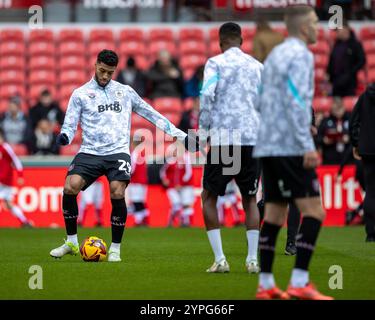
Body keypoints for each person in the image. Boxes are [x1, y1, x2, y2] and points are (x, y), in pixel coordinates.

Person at [49, 49, 198, 262]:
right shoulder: (80, 94)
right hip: (89, 152)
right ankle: (71, 241)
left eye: (110, 72)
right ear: (96, 65)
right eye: (102, 70)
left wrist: (182, 136)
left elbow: (151, 114)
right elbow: (70, 124)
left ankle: (115, 248)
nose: (105, 76)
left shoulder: (125, 92)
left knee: (117, 192)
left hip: (117, 152)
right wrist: (65, 136)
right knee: (69, 186)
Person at [253, 6, 333, 300]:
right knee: (315, 211)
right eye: (314, 22)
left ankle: (266, 285)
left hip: (268, 145)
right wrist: (306, 143)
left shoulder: (275, 54)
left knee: (274, 214)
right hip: (290, 145)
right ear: (302, 28)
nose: (317, 28)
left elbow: (260, 101)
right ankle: (299, 281)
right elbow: (298, 101)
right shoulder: (301, 55)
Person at [199, 22, 263, 274]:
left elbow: (206, 96)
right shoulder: (258, 67)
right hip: (252, 139)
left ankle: (221, 260)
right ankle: (252, 261)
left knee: (209, 197)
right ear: (242, 40)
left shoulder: (215, 64)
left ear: (220, 42)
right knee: (250, 199)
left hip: (225, 137)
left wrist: (203, 132)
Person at [349, 83, 375, 242]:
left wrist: (356, 144)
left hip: (368, 150)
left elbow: (353, 122)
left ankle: (371, 233)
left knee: (371, 192)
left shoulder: (364, 97)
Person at [0, 128, 33, 227]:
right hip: (2, 180)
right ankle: (24, 221)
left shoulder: (5, 147)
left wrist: (20, 175)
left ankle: (25, 222)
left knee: (9, 203)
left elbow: (16, 160)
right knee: (9, 203)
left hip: (5, 180)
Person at [327, 20, 366, 97]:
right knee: (336, 103)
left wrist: (350, 73)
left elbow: (362, 61)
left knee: (348, 103)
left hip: (349, 83)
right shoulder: (336, 44)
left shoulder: (355, 44)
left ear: (345, 29)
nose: (337, 32)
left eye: (338, 30)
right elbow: (332, 60)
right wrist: (328, 73)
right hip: (336, 81)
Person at [160, 146, 195, 227]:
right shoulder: (171, 161)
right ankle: (173, 221)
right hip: (172, 187)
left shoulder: (185, 159)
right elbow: (162, 172)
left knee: (183, 204)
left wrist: (181, 184)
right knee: (177, 203)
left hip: (182, 187)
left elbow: (188, 173)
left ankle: (184, 222)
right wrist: (165, 179)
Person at [317, 97, 352, 164]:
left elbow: (358, 136)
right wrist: (324, 140)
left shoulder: (351, 119)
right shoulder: (325, 120)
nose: (337, 112)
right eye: (335, 109)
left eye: (339, 108)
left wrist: (349, 139)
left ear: (343, 107)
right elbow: (317, 137)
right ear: (332, 109)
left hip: (348, 158)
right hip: (329, 158)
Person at [127, 138, 149, 227]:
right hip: (143, 182)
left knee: (136, 201)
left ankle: (138, 221)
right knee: (140, 201)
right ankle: (145, 219)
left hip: (136, 181)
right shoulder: (141, 153)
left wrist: (126, 174)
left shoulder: (135, 153)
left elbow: (132, 168)